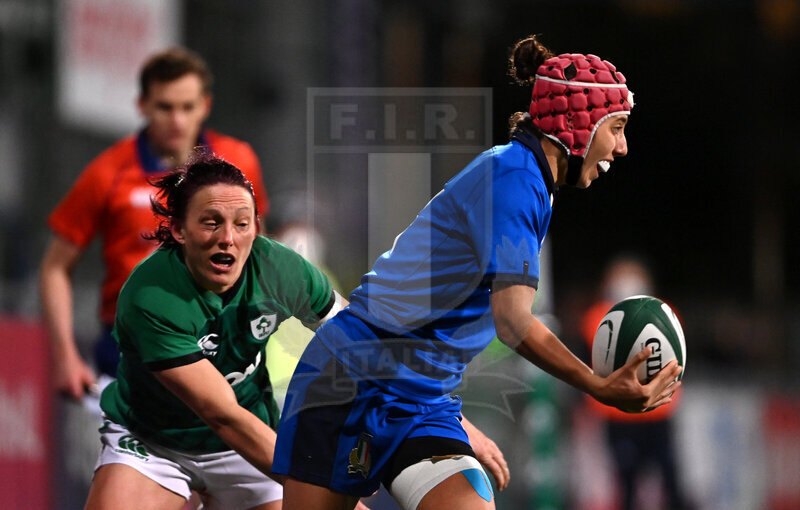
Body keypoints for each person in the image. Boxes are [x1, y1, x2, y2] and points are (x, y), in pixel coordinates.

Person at [272, 35, 682, 510]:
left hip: (423, 401)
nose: (624, 147)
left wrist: (457, 423)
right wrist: (596, 383)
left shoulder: (526, 178)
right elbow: (512, 322)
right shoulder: (516, 180)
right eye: (618, 128)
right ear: (575, 125)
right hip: (349, 381)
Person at [83, 154, 339, 510]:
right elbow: (221, 414)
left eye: (242, 223)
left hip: (250, 440)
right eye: (211, 222)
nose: (228, 238)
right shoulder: (151, 295)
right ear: (179, 230)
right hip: (154, 441)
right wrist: (328, 484)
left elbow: (354, 340)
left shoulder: (282, 269)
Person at [39, 47, 269, 401]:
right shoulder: (107, 173)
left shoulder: (239, 160)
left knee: (239, 443)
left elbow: (259, 248)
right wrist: (64, 356)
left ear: (205, 106)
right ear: (143, 105)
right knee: (128, 456)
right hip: (131, 349)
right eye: (165, 107)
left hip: (221, 343)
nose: (177, 120)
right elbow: (55, 268)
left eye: (187, 107)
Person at [580, 255, 690, 510]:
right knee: (627, 483)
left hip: (658, 412)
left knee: (671, 479)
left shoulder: (665, 314)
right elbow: (589, 365)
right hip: (619, 415)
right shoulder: (596, 317)